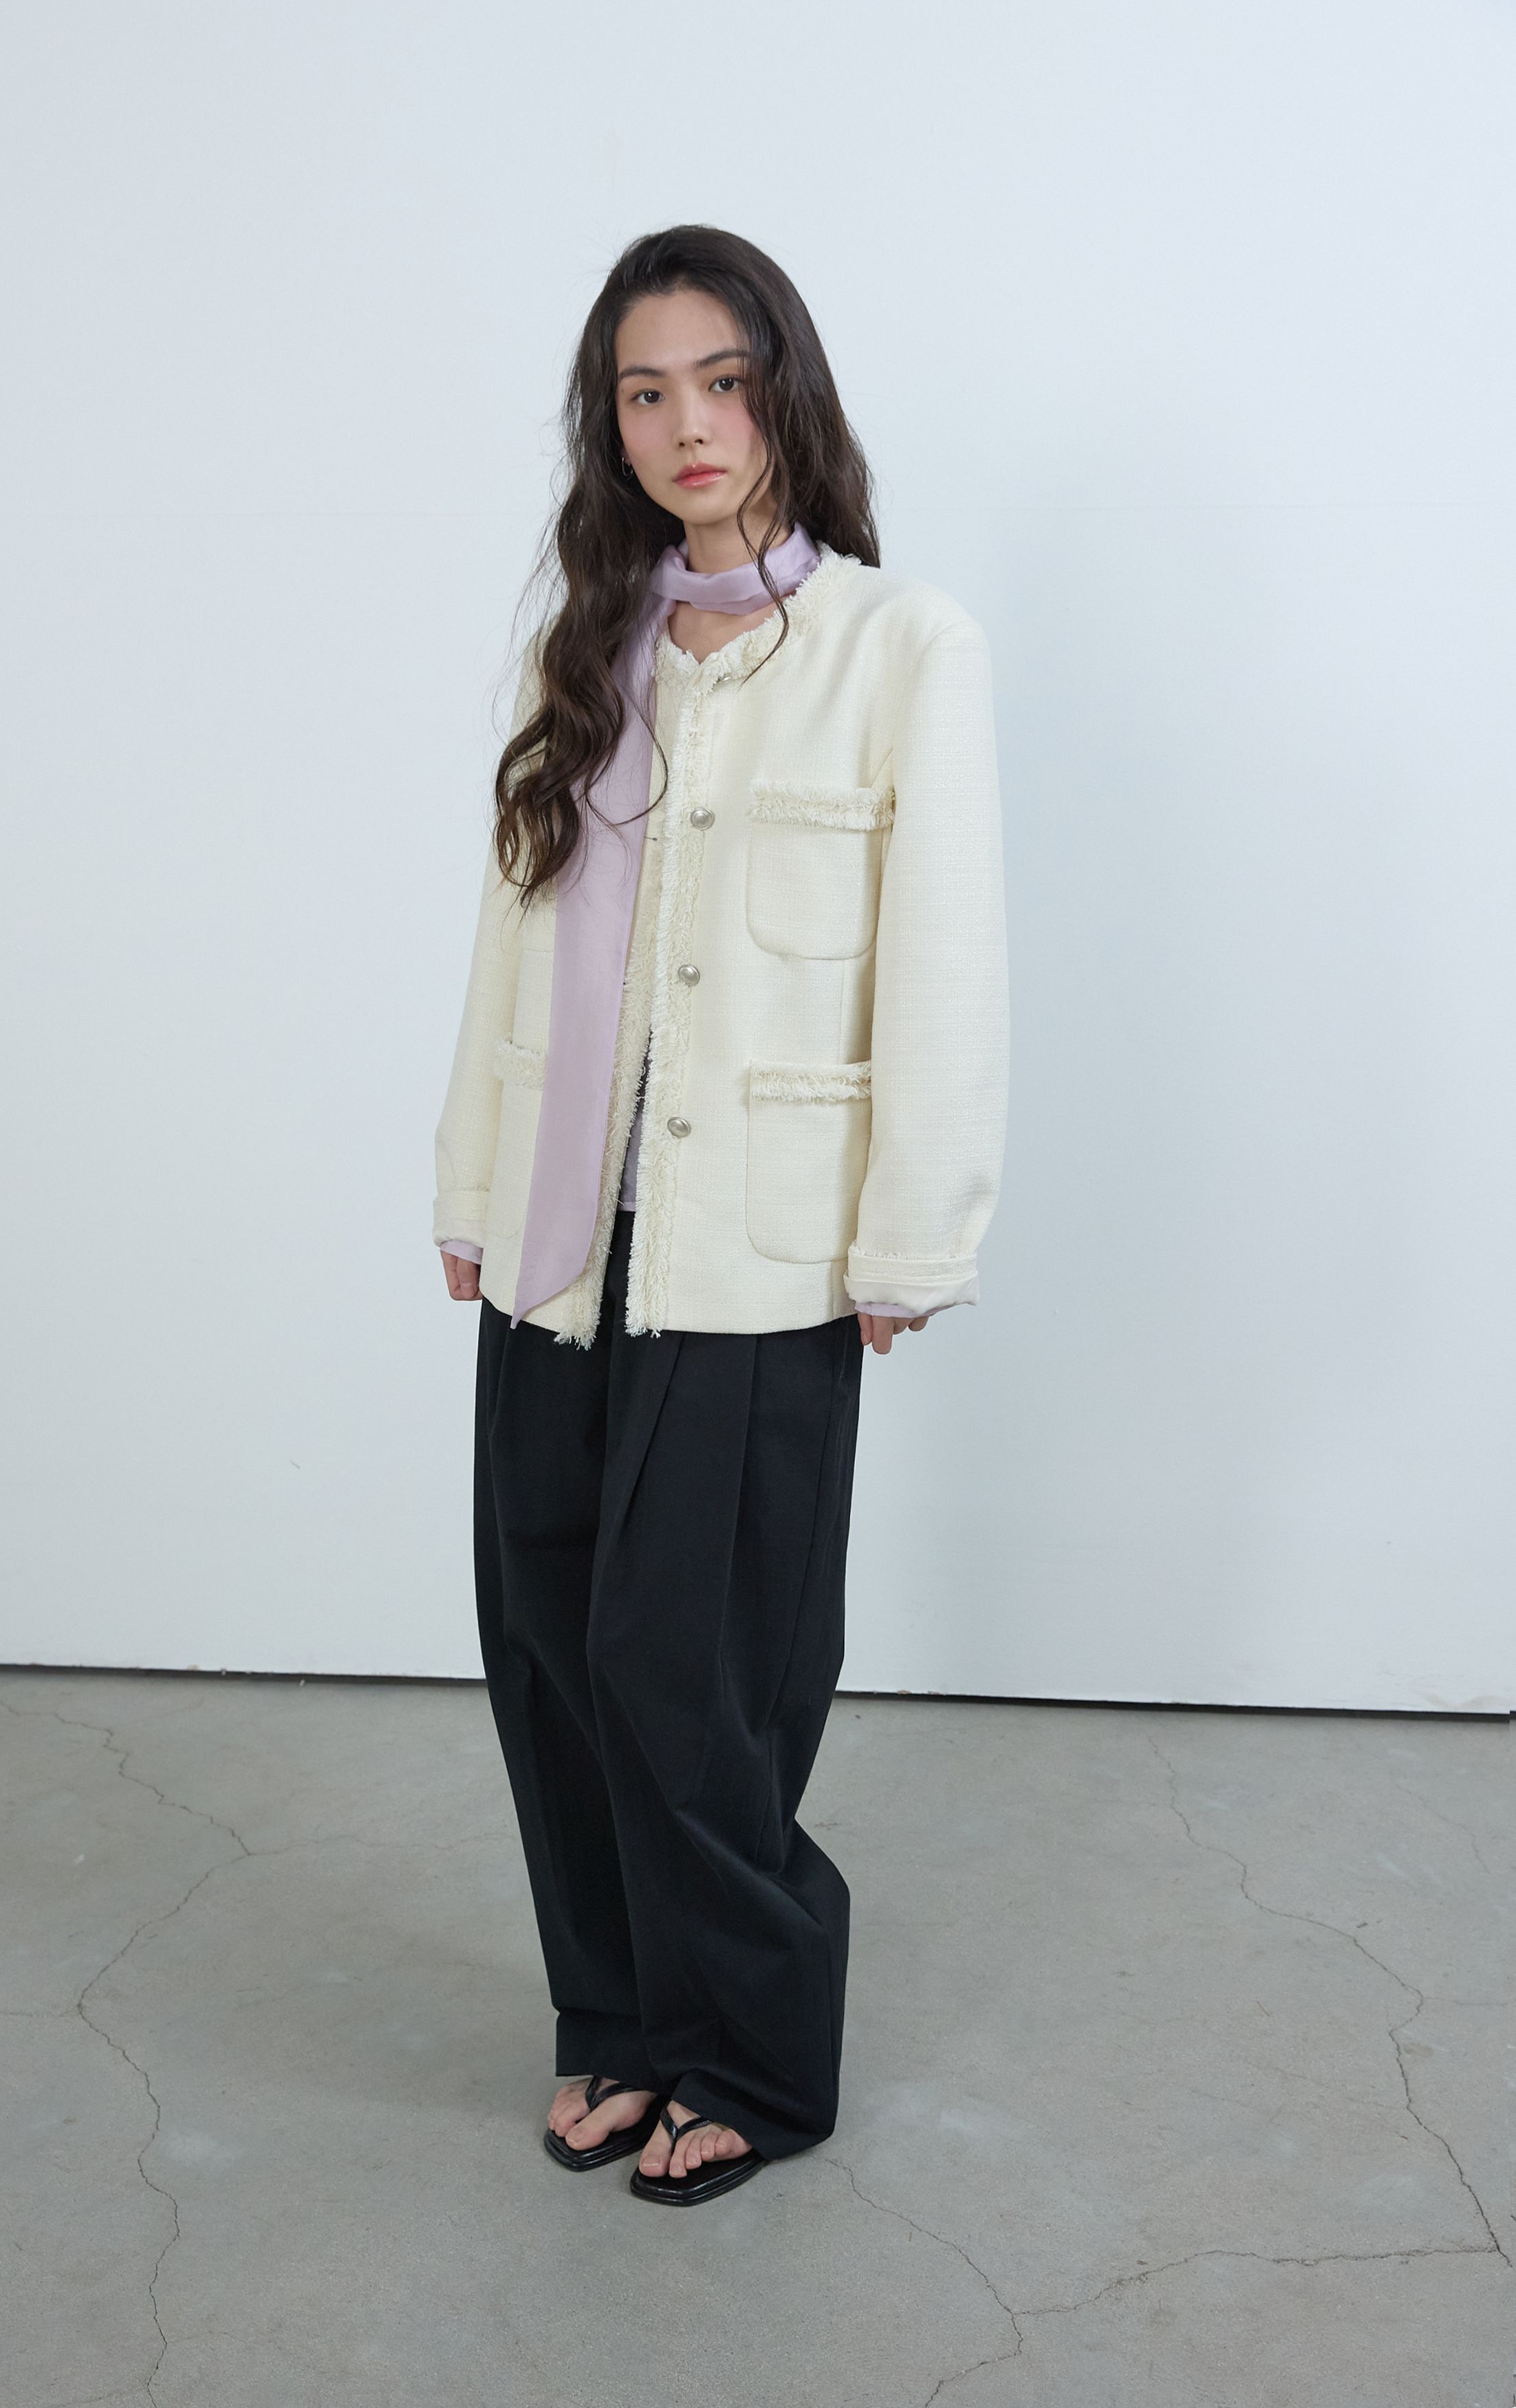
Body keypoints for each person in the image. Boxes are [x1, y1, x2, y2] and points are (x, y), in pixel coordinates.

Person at [432, 224, 1008, 2204]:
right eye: (646, 391)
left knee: (693, 1674)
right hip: (560, 1243)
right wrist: (471, 1184)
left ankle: (747, 2048)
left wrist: (912, 1234)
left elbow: (946, 964)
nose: (689, 424)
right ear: (611, 425)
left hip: (753, 1251)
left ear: (786, 393)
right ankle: (614, 2021)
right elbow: (512, 952)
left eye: (724, 381)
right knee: (548, 1653)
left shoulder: (897, 646)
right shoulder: (586, 649)